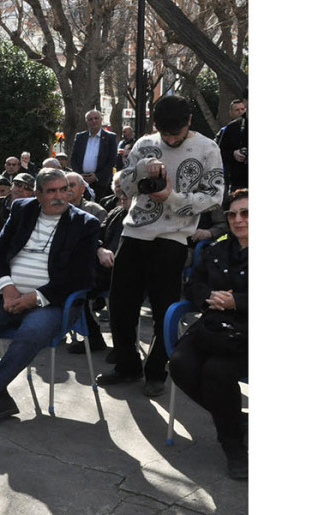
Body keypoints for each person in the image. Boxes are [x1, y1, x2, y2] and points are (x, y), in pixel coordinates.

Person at [96, 94, 224, 397]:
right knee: (120, 306)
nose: (170, 139)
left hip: (173, 238)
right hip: (134, 233)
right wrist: (141, 167)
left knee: (164, 308)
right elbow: (123, 185)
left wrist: (172, 198)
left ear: (189, 122)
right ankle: (127, 365)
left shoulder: (208, 148)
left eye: (176, 134)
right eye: (165, 134)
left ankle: (157, 371)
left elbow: (216, 196)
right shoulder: (144, 143)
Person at [0, 168, 100, 424]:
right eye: (51, 191)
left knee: (31, 331)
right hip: (8, 296)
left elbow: (81, 278)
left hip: (52, 303)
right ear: (38, 194)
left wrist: (35, 298)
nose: (59, 196)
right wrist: (7, 288)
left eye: (63, 190)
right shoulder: (23, 210)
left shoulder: (85, 224)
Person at [169, 188, 249, 480]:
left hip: (248, 332)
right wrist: (208, 297)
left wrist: (237, 301)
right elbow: (193, 284)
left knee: (215, 372)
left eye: (246, 213)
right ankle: (234, 420)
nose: (238, 220)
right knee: (179, 364)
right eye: (232, 214)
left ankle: (233, 448)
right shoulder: (218, 247)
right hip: (214, 326)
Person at [70, 174, 129, 356]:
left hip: (130, 271)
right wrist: (100, 249)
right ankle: (94, 337)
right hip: (104, 269)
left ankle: (124, 349)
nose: (122, 194)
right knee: (72, 288)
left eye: (127, 191)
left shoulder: (148, 219)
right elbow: (95, 236)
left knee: (122, 297)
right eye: (120, 189)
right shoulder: (115, 213)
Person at [70, 109, 119, 203]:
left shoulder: (110, 138)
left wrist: (97, 176)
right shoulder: (80, 137)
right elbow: (73, 159)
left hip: (100, 183)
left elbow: (111, 161)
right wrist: (79, 175)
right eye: (90, 119)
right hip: (82, 181)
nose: (94, 121)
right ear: (87, 122)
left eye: (96, 118)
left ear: (101, 120)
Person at [0, 173, 35, 239]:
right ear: (12, 186)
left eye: (27, 188)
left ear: (32, 193)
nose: (20, 189)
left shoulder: (32, 211)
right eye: (18, 185)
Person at [217, 96, 248, 193]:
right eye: (237, 110)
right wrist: (233, 154)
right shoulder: (228, 130)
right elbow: (220, 153)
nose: (240, 112)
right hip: (237, 181)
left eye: (243, 109)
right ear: (231, 113)